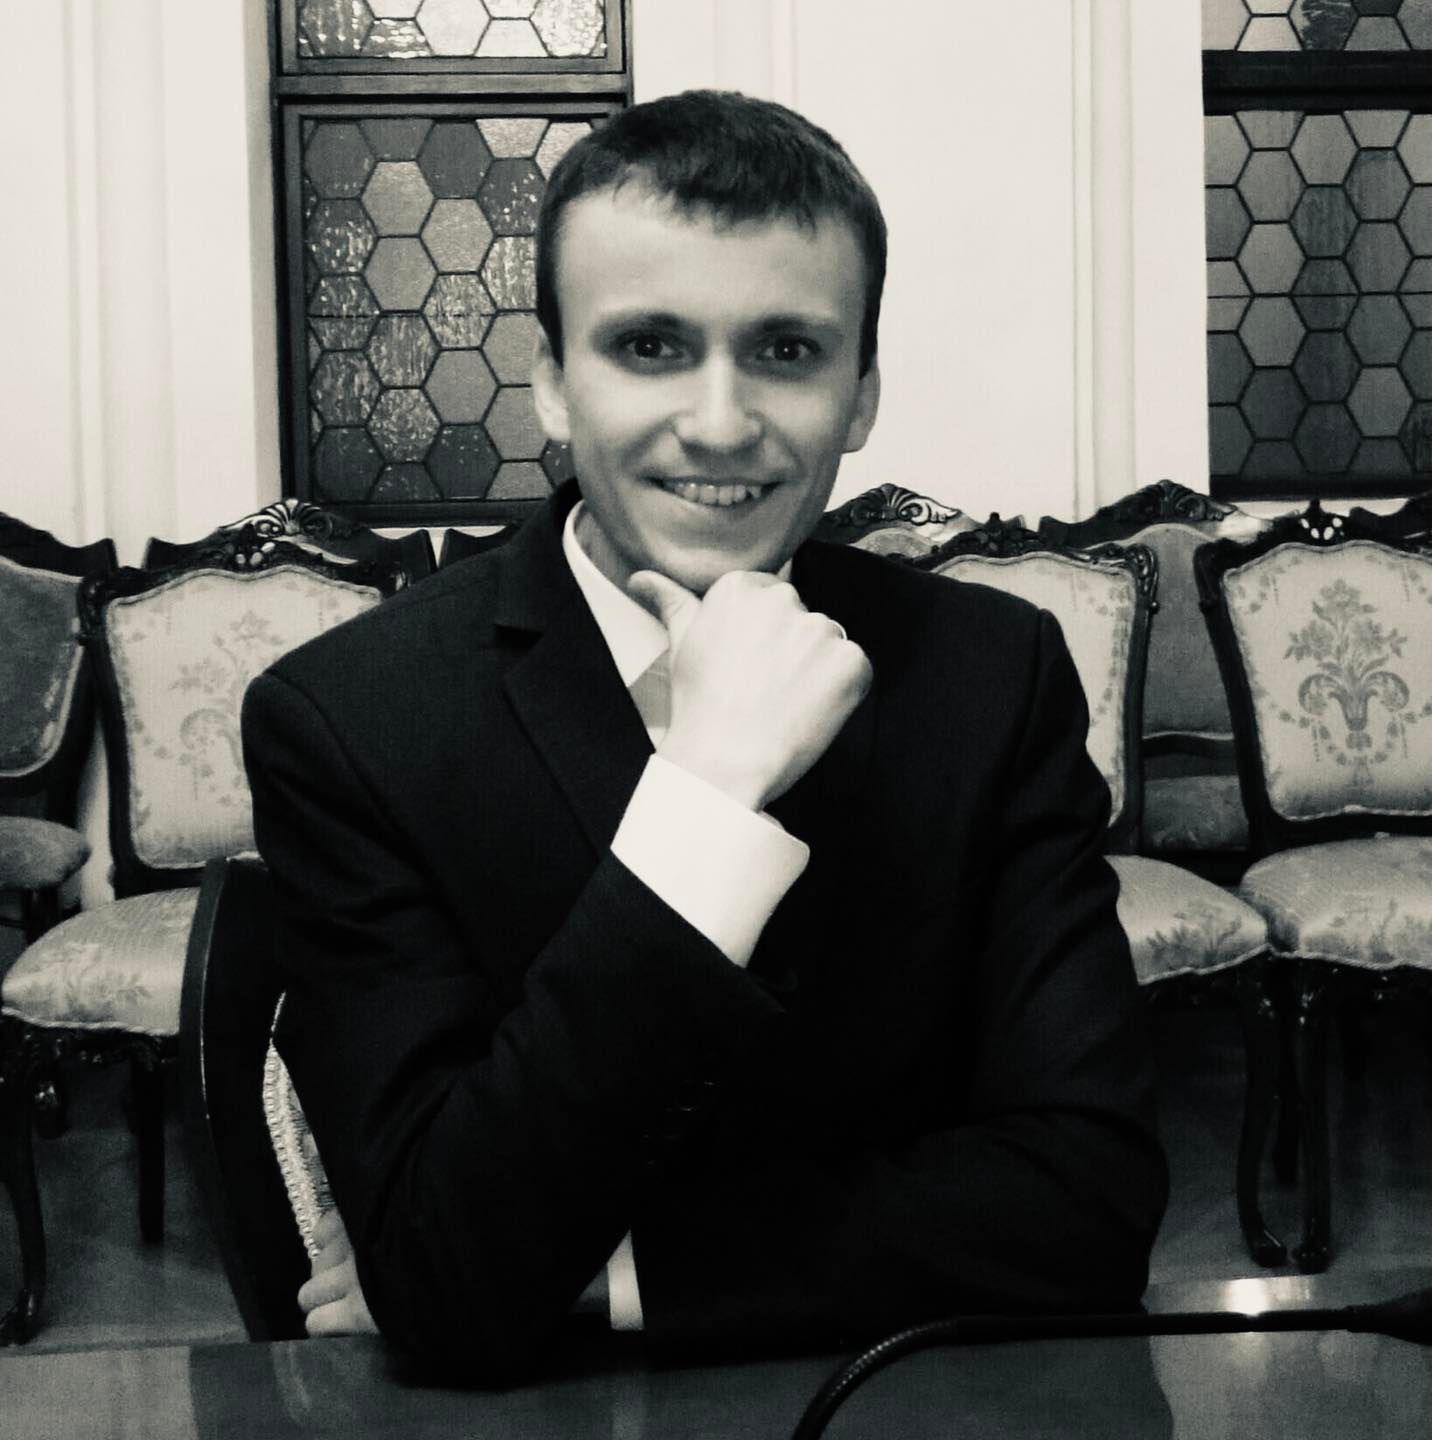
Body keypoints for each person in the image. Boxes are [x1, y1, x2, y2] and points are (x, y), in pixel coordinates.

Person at [241, 88, 1167, 1383]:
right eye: (650, 346)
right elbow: (447, 1272)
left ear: (861, 393)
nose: (722, 423)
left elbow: (1091, 1201)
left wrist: (609, 1271)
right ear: (551, 382)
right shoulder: (351, 722)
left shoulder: (993, 675)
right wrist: (708, 799)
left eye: (786, 350)